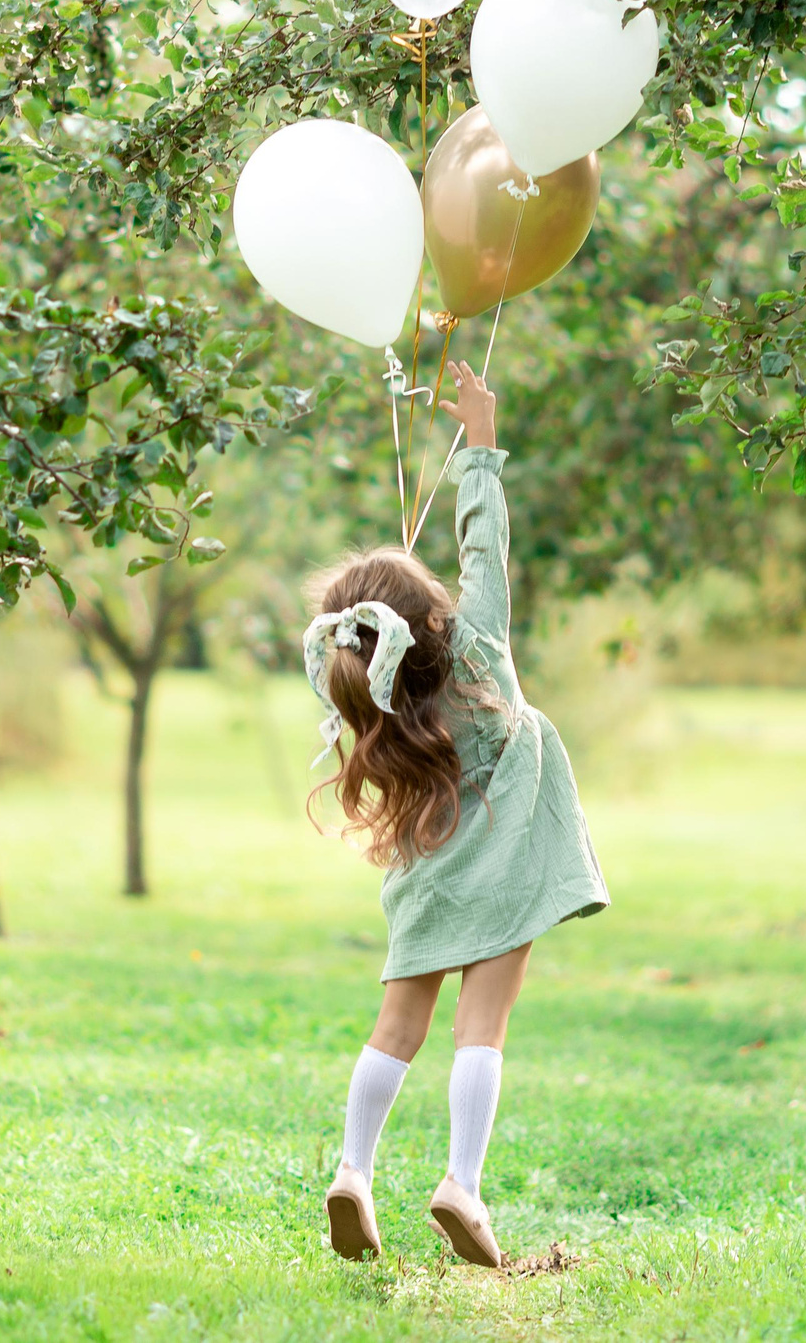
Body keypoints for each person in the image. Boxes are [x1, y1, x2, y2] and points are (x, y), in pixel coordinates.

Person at [302, 361, 610, 1269]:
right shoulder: (479, 643)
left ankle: (353, 1170)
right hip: (509, 858)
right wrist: (480, 439)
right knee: (485, 1025)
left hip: (428, 866)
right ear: (431, 615)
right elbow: (487, 545)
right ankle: (459, 1185)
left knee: (396, 1025)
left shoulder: (380, 703)